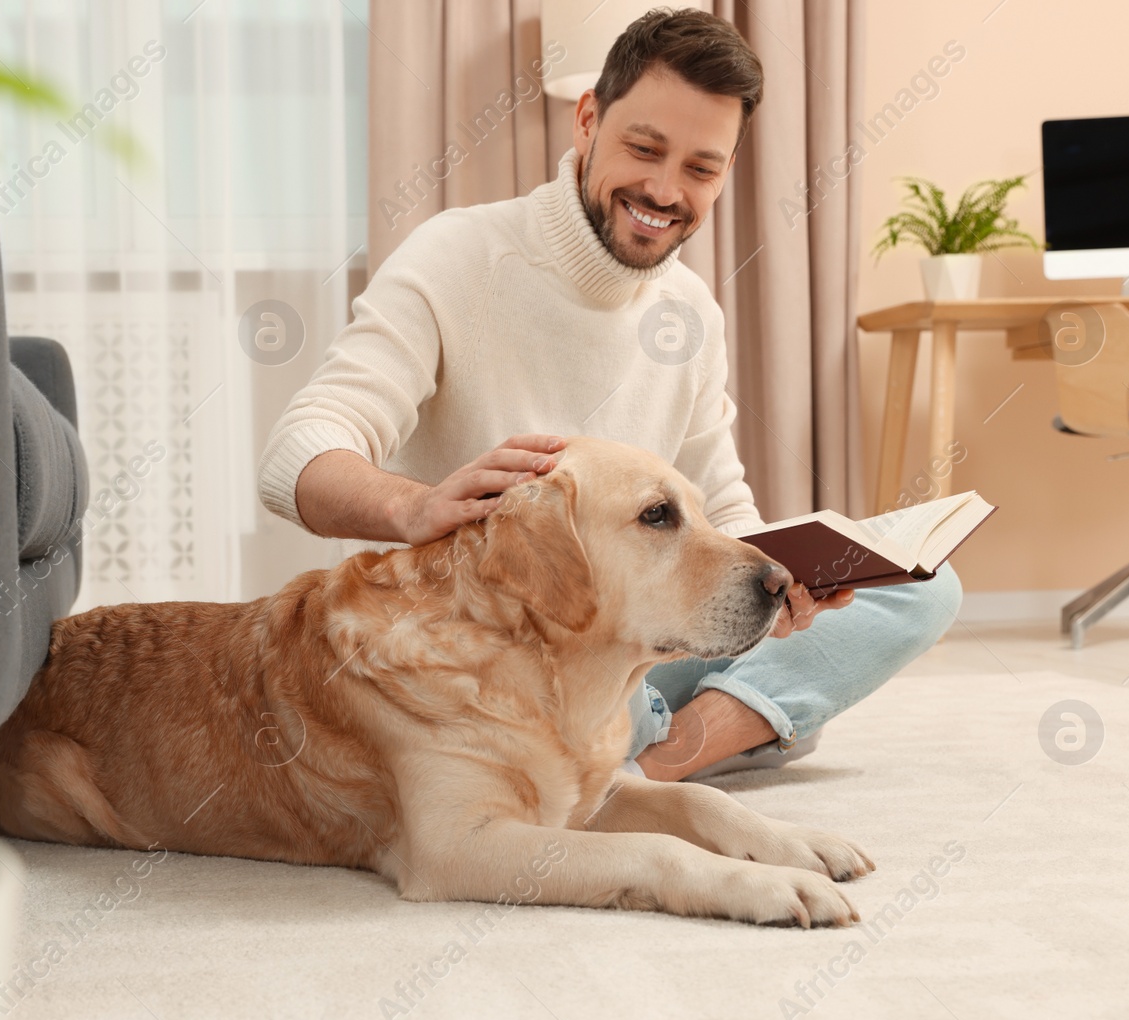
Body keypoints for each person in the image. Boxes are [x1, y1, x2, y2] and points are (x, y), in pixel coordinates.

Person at [256, 8, 960, 782]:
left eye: (701, 167)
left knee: (926, 586)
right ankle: (736, 720)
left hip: (637, 644)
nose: (664, 190)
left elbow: (723, 514)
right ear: (588, 120)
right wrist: (411, 507)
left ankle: (658, 758)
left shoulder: (691, 311)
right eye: (645, 148)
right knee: (621, 692)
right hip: (493, 663)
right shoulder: (457, 255)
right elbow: (296, 455)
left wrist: (784, 583)